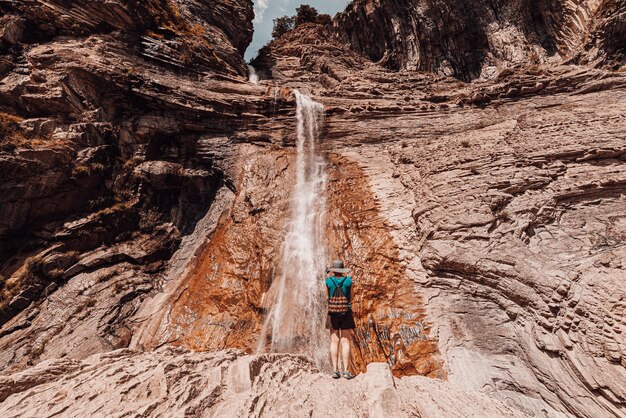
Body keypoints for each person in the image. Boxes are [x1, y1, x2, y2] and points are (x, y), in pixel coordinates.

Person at [325, 259, 356, 379]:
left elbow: (327, 298)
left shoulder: (328, 281)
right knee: (345, 341)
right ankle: (346, 371)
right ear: (342, 270)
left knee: (334, 341)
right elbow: (352, 298)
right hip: (346, 313)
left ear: (333, 270)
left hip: (332, 314)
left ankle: (335, 370)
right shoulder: (349, 281)